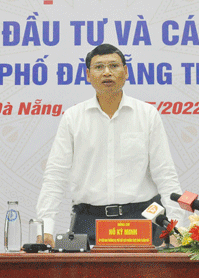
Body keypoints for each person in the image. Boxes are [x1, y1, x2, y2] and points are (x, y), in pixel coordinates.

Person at [36, 43, 184, 247]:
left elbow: (165, 175)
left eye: (114, 66)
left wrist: (176, 228)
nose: (107, 72)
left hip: (142, 219)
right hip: (89, 222)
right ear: (88, 75)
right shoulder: (73, 118)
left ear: (126, 72)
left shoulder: (147, 115)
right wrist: (45, 229)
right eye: (99, 67)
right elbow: (55, 175)